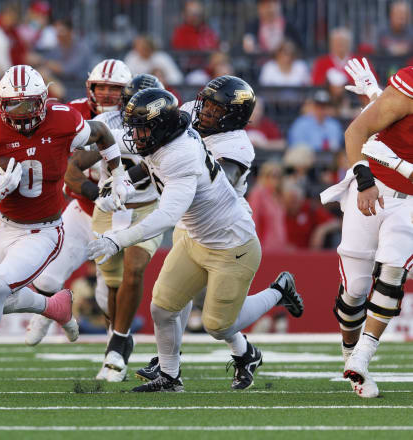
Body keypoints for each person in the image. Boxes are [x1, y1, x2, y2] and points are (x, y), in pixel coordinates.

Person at [0, 65, 134, 390]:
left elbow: (103, 135)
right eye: (14, 104)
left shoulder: (64, 120)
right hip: (3, 225)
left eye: (29, 104)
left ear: (44, 99)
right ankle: (54, 306)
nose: (22, 113)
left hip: (44, 230)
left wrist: (117, 174)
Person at [88, 87, 302, 392]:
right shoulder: (176, 123)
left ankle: (279, 290)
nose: (207, 112)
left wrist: (117, 240)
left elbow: (167, 212)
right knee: (162, 307)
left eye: (217, 109)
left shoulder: (198, 151)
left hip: (230, 241)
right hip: (195, 233)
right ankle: (170, 375)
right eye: (208, 106)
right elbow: (135, 152)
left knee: (218, 324)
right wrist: (117, 179)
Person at [33, 73, 164, 383]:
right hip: (108, 210)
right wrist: (98, 192)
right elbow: (73, 166)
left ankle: (117, 345)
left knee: (134, 269)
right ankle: (118, 341)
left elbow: (154, 167)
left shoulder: (174, 129)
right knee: (110, 291)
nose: (140, 114)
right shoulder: (113, 125)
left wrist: (127, 180)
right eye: (134, 106)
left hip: (148, 208)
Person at [23, 60, 133, 353]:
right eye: (102, 87)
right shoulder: (73, 113)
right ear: (90, 87)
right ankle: (44, 315)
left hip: (120, 215)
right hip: (83, 206)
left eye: (115, 88)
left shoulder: (135, 118)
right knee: (47, 276)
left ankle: (116, 347)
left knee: (105, 294)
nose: (108, 93)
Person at [320, 59, 413, 398]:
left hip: (410, 203)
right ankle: (349, 354)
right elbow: (357, 132)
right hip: (371, 188)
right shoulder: (409, 86)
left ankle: (362, 356)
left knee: (392, 272)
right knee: (356, 289)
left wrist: (401, 165)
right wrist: (364, 180)